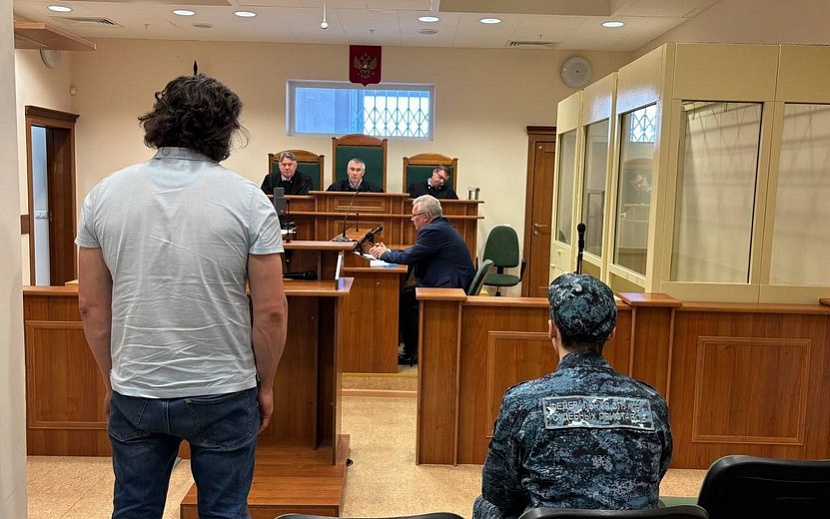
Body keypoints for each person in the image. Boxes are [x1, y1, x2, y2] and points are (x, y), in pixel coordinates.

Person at [76, 74, 288, 519]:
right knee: (225, 511)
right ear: (226, 131)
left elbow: (91, 307)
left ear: (158, 121)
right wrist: (265, 386)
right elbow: (270, 312)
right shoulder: (250, 201)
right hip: (224, 387)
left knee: (134, 509)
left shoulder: (103, 196)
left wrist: (113, 378)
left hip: (138, 385)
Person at [473, 273, 672, 519]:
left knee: (485, 506)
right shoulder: (651, 402)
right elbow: (654, 475)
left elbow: (498, 491)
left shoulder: (523, 402)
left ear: (551, 329)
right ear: (611, 333)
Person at [369, 195, 474, 365]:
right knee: (406, 294)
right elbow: (415, 251)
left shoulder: (433, 230)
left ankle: (411, 352)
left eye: (414, 215)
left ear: (425, 217)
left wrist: (384, 255)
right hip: (447, 280)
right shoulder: (439, 227)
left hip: (449, 285)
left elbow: (410, 256)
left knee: (404, 299)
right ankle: (413, 348)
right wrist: (389, 251)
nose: (412, 219)